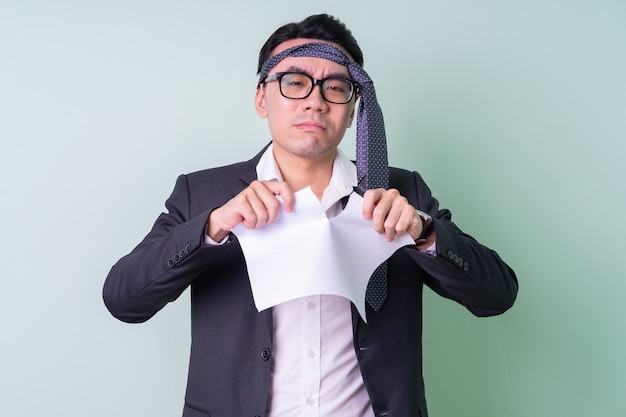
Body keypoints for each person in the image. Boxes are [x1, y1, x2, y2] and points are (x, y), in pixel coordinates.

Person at [103, 13, 518, 417]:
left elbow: (498, 295)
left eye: (335, 87)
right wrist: (212, 228)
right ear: (262, 98)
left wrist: (424, 233)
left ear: (353, 109)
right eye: (295, 83)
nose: (315, 101)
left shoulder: (401, 193)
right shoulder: (204, 195)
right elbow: (124, 299)